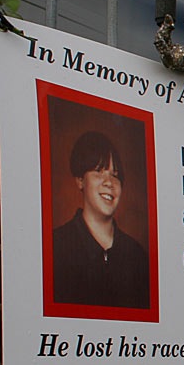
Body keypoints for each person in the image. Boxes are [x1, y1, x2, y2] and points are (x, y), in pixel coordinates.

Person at [52, 130, 150, 309]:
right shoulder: (55, 246)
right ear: (80, 180)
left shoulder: (137, 255)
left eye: (115, 175)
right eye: (98, 171)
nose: (109, 183)